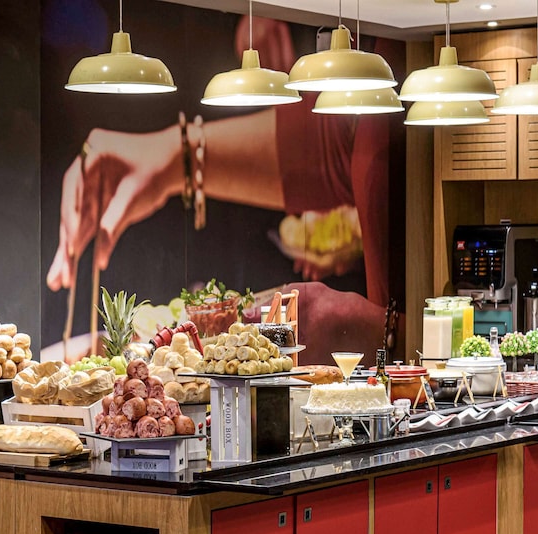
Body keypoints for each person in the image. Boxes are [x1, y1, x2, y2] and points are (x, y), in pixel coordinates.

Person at [46, 17, 405, 365]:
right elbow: (342, 144)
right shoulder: (380, 39)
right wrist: (172, 156)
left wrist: (372, 330)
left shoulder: (413, 34)